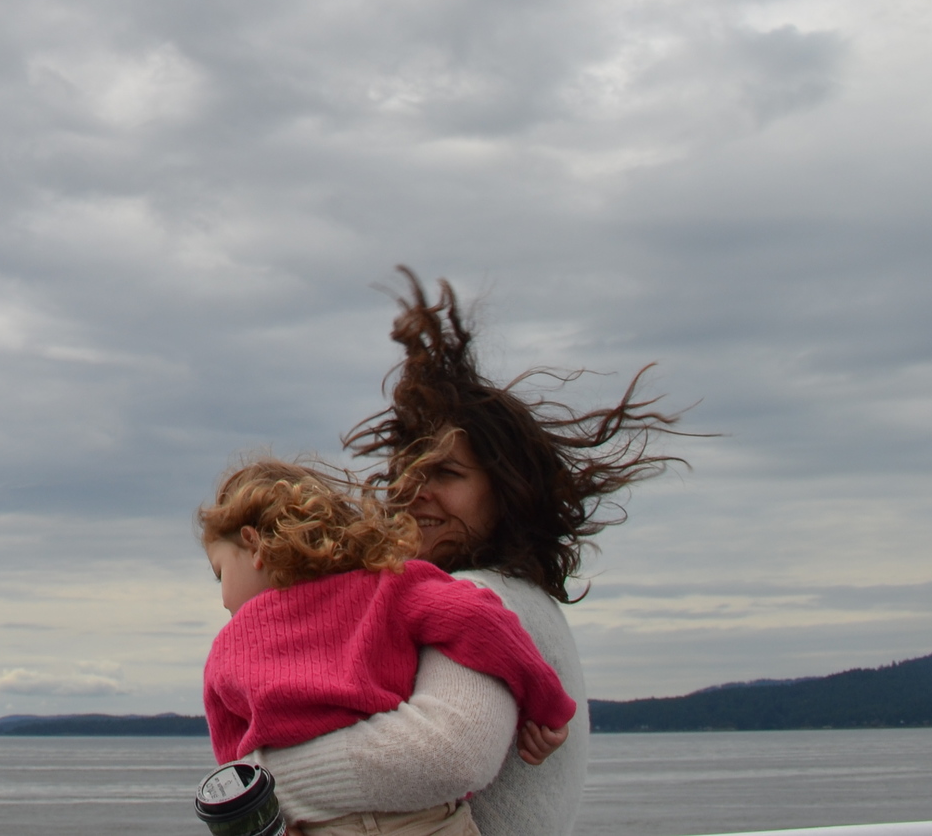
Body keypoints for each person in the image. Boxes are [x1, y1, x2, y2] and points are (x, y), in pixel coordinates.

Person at [254, 272, 691, 836]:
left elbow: (443, 756)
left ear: (507, 490)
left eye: (447, 473)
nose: (413, 492)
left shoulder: (484, 598)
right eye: (405, 473)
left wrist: (254, 782)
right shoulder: (509, 598)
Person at [199, 457, 577, 836]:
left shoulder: (227, 651)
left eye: (220, 575)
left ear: (254, 545)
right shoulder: (387, 587)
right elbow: (484, 623)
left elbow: (239, 777)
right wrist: (546, 704)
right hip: (423, 822)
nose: (224, 600)